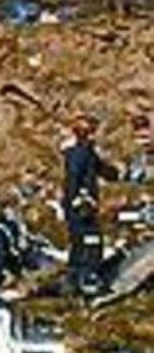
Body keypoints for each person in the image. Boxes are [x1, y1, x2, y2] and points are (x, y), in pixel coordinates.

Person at [62, 115, 121, 296]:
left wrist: (114, 172)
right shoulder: (78, 153)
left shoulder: (87, 151)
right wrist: (80, 201)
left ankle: (74, 280)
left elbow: (101, 169)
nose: (96, 135)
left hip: (84, 205)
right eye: (93, 131)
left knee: (80, 242)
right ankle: (87, 278)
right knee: (89, 241)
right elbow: (73, 179)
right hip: (81, 207)